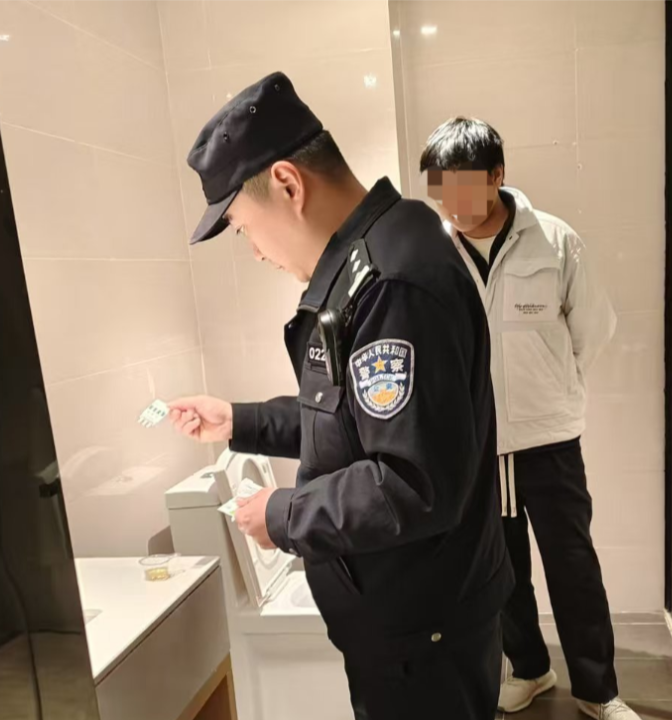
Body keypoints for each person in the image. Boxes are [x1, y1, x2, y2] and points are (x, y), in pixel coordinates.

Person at [166, 74, 513, 720]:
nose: (256, 252)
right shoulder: (378, 251)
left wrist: (283, 515)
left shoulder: (390, 283)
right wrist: (238, 421)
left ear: (288, 184)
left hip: (422, 640)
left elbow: (410, 483)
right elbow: (349, 421)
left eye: (243, 228)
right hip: (410, 623)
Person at [420, 117, 642, 720]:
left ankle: (598, 690)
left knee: (572, 567)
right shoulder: (434, 252)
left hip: (549, 439)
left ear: (497, 175)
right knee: (501, 570)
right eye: (440, 189)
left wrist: (551, 384)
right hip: (478, 445)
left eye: (463, 186)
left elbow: (592, 329)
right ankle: (530, 669)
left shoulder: (554, 240)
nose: (452, 205)